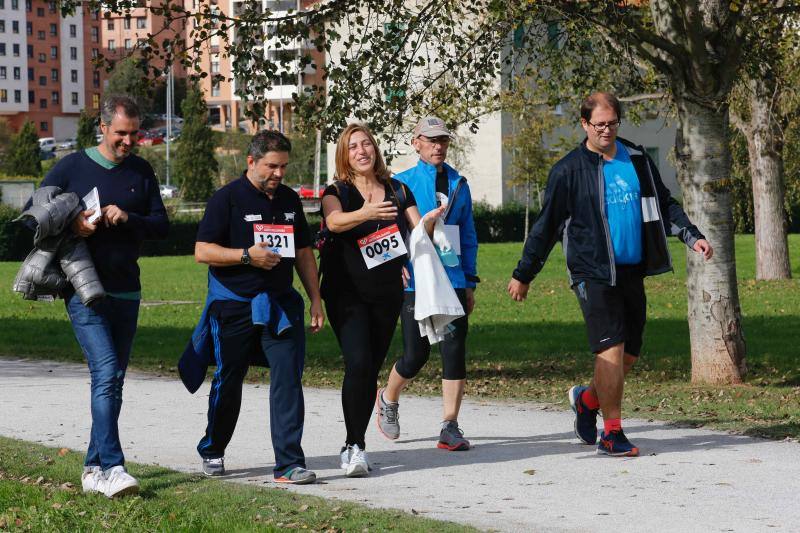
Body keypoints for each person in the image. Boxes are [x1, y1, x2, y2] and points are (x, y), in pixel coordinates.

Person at [507, 92, 713, 456]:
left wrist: (691, 236)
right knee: (611, 349)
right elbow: (546, 226)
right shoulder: (568, 170)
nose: (606, 130)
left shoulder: (636, 160)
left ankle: (587, 399)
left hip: (632, 269)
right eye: (598, 124)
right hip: (593, 271)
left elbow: (664, 203)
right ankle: (611, 433)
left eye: (612, 123)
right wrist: (524, 273)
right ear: (584, 124)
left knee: (630, 353)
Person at [32, 94, 169, 496]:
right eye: (121, 134)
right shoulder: (72, 166)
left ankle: (92, 468)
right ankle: (112, 467)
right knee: (107, 373)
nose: (128, 142)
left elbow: (161, 225)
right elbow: (34, 214)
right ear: (103, 128)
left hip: (127, 289)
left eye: (135, 134)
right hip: (83, 289)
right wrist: (72, 221)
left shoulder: (142, 171)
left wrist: (129, 218)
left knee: (114, 379)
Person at [192, 130, 324, 484]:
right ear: (251, 162)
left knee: (287, 379)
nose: (279, 173)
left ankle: (289, 463)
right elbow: (203, 251)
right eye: (271, 166)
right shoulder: (227, 199)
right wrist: (246, 256)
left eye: (283, 166)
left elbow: (303, 253)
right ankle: (213, 448)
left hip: (280, 308)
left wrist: (315, 298)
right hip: (233, 307)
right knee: (229, 379)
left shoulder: (290, 200)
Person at [320, 123, 443, 477]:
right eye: (354, 147)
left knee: (370, 368)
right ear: (345, 154)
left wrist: (431, 222)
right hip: (346, 293)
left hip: (387, 292)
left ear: (375, 149)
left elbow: (419, 233)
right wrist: (367, 213)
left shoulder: (397, 189)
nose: (362, 151)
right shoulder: (338, 191)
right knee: (357, 363)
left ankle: (354, 441)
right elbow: (334, 222)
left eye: (367, 145)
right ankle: (354, 445)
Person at [376, 116, 479, 452]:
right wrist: (393, 268)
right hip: (414, 282)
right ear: (415, 142)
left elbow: (468, 235)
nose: (438, 146)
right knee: (415, 355)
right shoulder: (399, 183)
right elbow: (387, 231)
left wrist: (470, 280)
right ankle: (388, 397)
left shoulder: (459, 183)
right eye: (431, 140)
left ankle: (450, 425)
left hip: (451, 280)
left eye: (443, 140)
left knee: (454, 351)